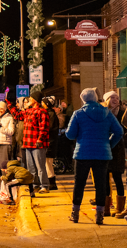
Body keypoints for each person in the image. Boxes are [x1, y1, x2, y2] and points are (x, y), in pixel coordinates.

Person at [65, 87, 124, 224]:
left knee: (79, 184)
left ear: (83, 99)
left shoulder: (78, 114)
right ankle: (100, 215)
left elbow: (70, 134)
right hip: (102, 154)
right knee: (101, 185)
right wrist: (109, 144)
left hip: (82, 153)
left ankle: (75, 213)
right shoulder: (107, 113)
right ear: (96, 98)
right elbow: (119, 132)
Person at [21, 92, 50, 193]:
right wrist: (8, 103)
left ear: (35, 100)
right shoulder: (28, 111)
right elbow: (17, 115)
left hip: (37, 144)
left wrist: (40, 139)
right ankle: (35, 184)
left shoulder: (42, 112)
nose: (29, 100)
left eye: (31, 98)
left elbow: (44, 127)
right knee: (31, 167)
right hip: (28, 143)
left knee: (40, 166)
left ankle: (45, 185)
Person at [102, 91, 125, 218]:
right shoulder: (104, 113)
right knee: (105, 179)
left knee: (118, 179)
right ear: (106, 100)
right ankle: (106, 208)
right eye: (112, 98)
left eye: (117, 97)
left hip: (118, 151)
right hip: (105, 150)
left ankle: (120, 208)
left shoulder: (123, 113)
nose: (115, 99)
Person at [41, 97, 60, 191]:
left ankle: (51, 182)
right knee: (47, 163)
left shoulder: (50, 114)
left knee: (48, 163)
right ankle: (51, 182)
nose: (42, 104)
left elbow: (50, 128)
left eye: (43, 103)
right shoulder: (49, 113)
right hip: (49, 141)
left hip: (50, 142)